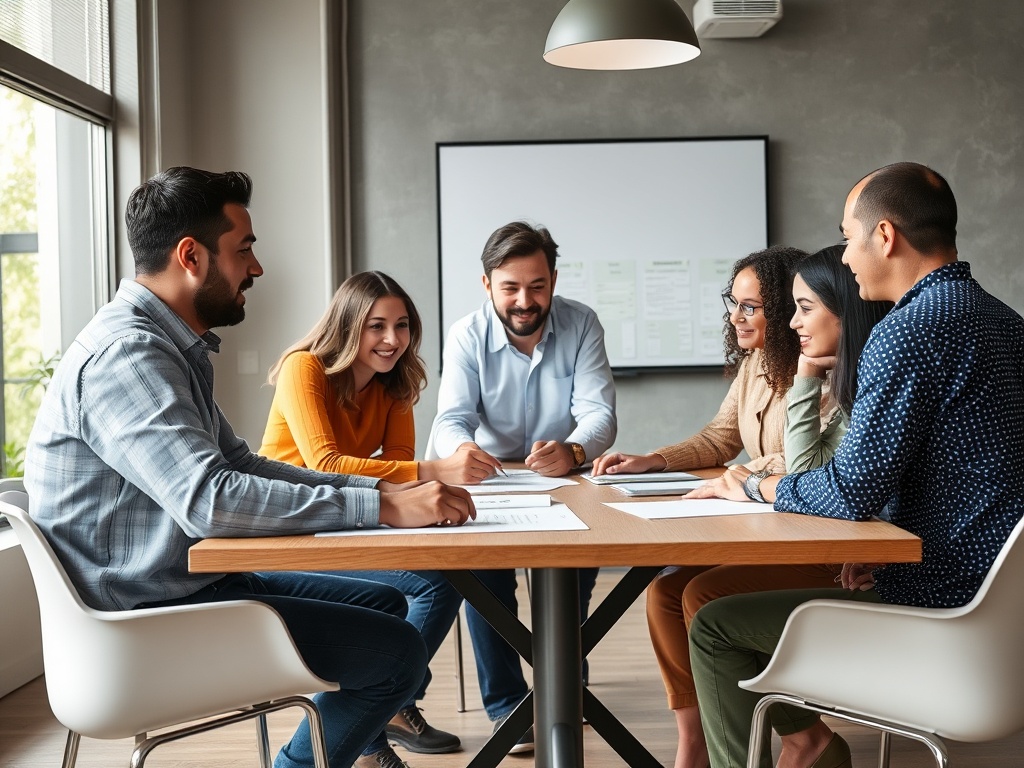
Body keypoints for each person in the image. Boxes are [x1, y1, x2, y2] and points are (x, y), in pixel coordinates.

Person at [24, 167, 475, 768]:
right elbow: (211, 499)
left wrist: (380, 491)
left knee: (386, 607)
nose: (256, 269)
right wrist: (384, 503)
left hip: (184, 586)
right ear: (191, 255)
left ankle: (341, 749)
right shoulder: (127, 356)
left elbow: (240, 464)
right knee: (396, 652)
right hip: (138, 623)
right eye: (244, 251)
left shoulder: (168, 348)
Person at [688, 162, 1024, 768]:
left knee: (714, 626)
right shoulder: (1006, 322)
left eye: (848, 237)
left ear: (886, 236)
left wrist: (758, 488)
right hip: (1004, 615)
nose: (844, 257)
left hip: (937, 609)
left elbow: (850, 491)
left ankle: (812, 747)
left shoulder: (909, 330)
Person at [592, 245, 810, 768]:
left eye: (751, 306)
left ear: (782, 309)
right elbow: (721, 437)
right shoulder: (758, 363)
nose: (735, 316)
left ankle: (800, 734)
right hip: (767, 525)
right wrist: (653, 459)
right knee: (664, 590)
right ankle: (694, 740)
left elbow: (802, 461)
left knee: (702, 596)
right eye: (732, 303)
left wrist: (742, 478)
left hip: (806, 533)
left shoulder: (817, 362)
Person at [259, 271, 472, 757]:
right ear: (348, 324)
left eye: (402, 326)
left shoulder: (395, 383)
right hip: (286, 530)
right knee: (435, 582)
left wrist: (428, 483)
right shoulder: (304, 367)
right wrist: (436, 470)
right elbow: (325, 464)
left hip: (346, 521)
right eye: (377, 326)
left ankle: (383, 705)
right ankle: (385, 703)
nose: (392, 340)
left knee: (450, 574)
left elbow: (402, 471)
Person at [430, 220, 617, 752]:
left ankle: (562, 684)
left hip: (562, 477)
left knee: (575, 572)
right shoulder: (467, 333)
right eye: (510, 287)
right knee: (486, 576)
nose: (524, 299)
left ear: (553, 280)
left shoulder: (581, 324)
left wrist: (576, 450)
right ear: (487, 284)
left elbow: (599, 413)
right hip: (488, 480)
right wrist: (462, 450)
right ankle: (508, 706)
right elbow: (450, 418)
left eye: (536, 286)